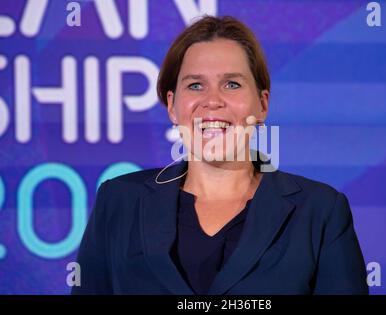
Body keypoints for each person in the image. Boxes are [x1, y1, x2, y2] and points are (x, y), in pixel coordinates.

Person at [72, 15, 368, 295]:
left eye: (232, 84)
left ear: (262, 104)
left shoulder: (320, 212)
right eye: (195, 85)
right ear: (172, 105)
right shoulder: (119, 203)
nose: (212, 101)